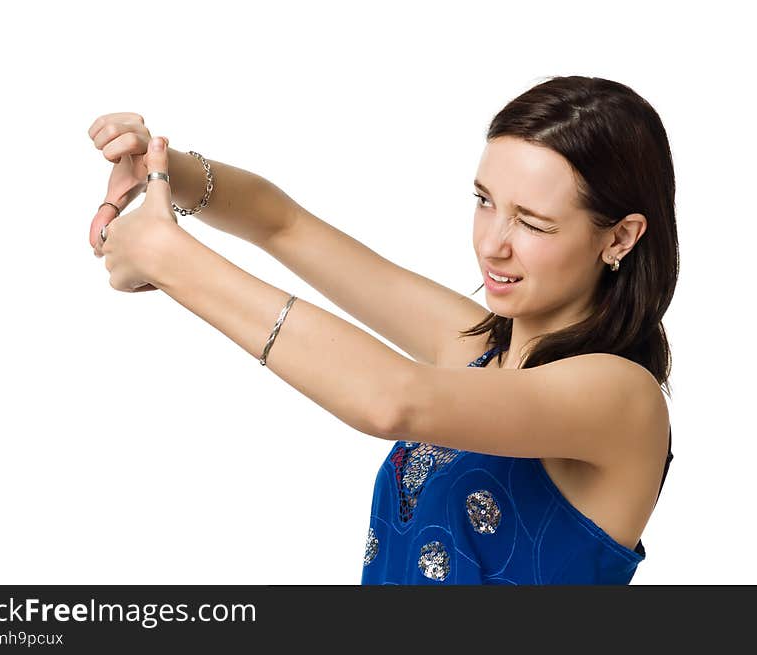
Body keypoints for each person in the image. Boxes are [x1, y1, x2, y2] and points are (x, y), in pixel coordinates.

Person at [87, 74, 677, 585]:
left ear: (620, 237)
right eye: (484, 201)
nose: (492, 244)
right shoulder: (475, 346)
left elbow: (392, 399)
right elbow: (283, 225)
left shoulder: (621, 398)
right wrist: (163, 169)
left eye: (532, 223)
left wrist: (174, 261)